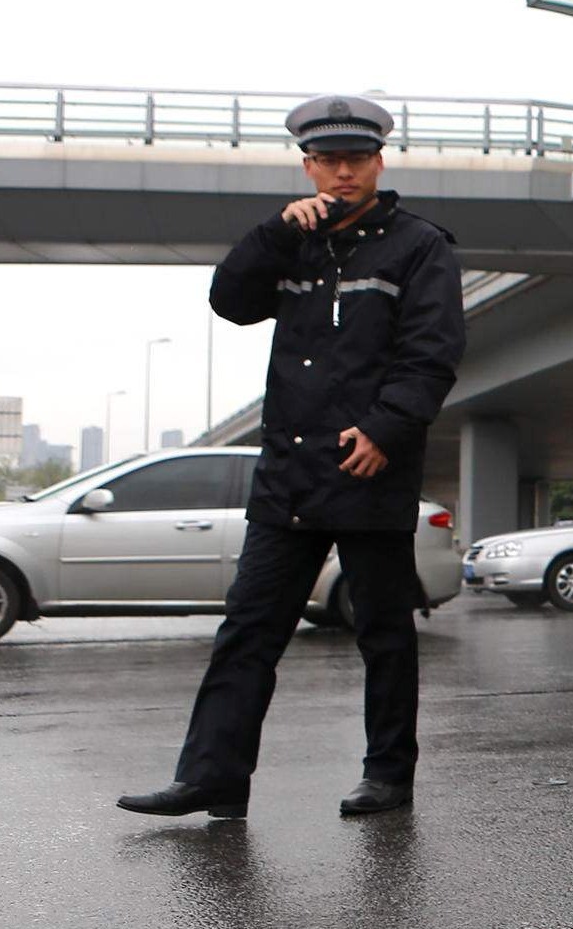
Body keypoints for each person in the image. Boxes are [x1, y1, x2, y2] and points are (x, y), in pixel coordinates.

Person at [118, 95, 465, 820]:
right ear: (308, 165)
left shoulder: (419, 245)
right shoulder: (293, 240)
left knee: (383, 634)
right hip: (288, 477)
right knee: (247, 631)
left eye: (356, 159)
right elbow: (230, 301)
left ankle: (387, 774)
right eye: (329, 160)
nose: (343, 172)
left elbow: (431, 354)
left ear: (379, 161)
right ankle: (213, 777)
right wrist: (274, 233)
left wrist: (385, 429)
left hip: (368, 469)